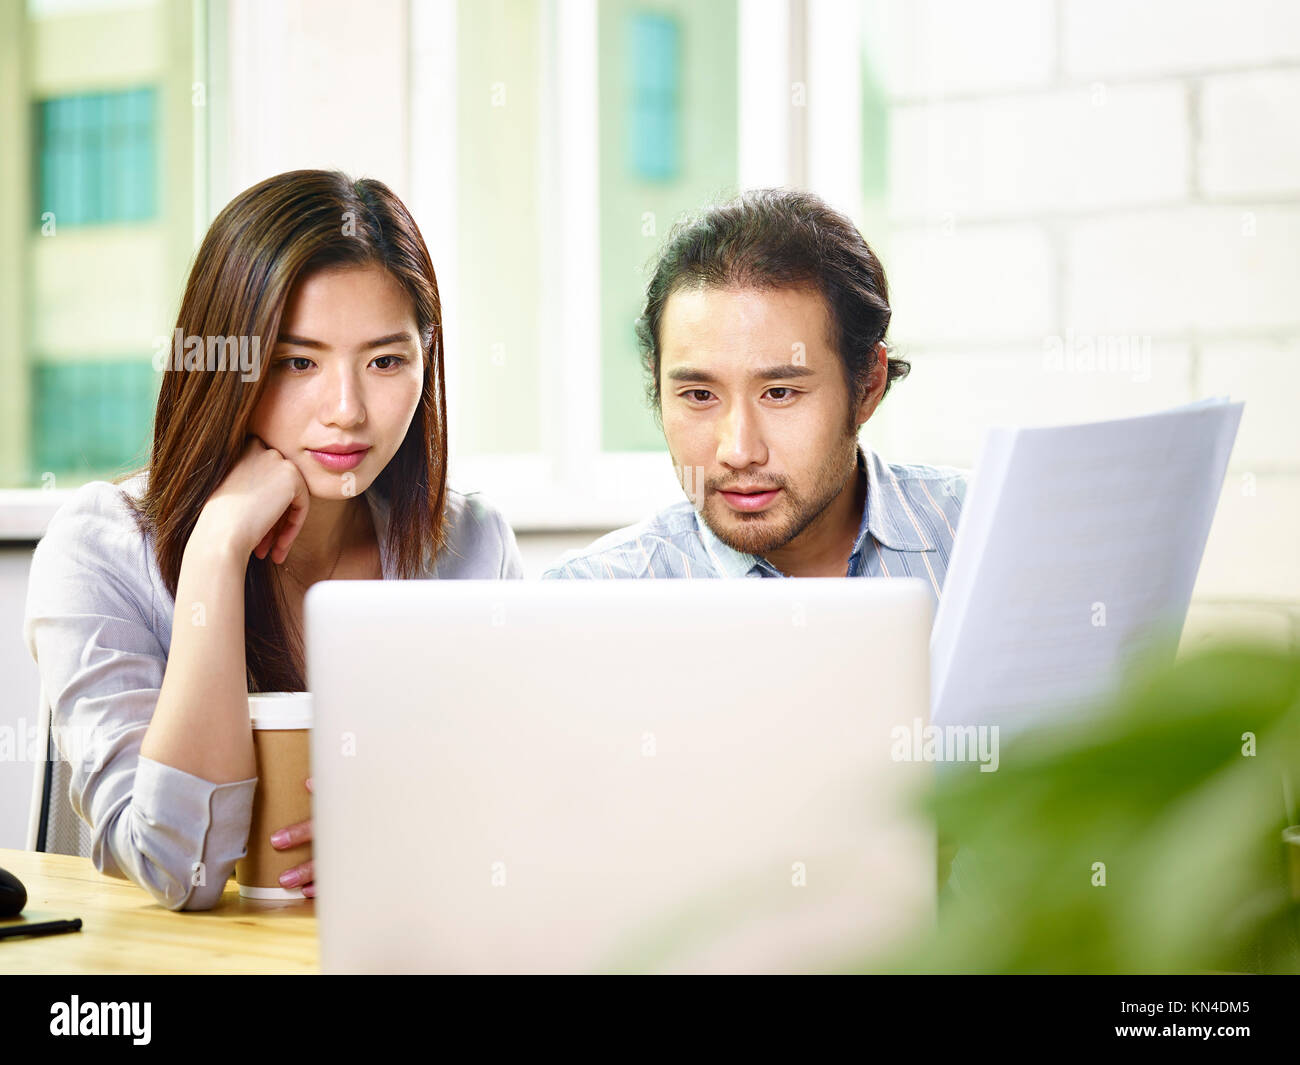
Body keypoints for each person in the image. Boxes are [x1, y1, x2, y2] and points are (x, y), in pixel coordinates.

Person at [23, 170, 523, 911]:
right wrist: (216, 550)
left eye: (385, 361)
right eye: (298, 362)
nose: (347, 411)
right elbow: (176, 869)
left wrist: (423, 826)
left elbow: (521, 807)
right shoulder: (99, 550)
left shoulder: (469, 546)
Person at [542, 187, 965, 603]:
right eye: (700, 395)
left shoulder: (992, 535)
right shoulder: (587, 599)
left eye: (779, 393)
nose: (739, 452)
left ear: (868, 385)